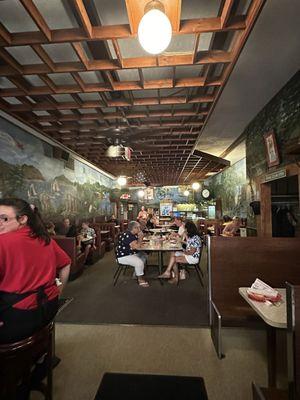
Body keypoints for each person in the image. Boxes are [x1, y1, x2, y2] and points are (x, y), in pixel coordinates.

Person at [0, 198, 71, 344]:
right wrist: (60, 290)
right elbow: (66, 264)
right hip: (49, 306)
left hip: (18, 314)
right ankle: (39, 358)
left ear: (23, 219)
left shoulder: (3, 242)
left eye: (4, 219)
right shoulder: (45, 239)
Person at [116, 221, 149, 287]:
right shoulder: (128, 235)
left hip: (130, 253)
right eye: (138, 228)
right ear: (134, 228)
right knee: (139, 262)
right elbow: (136, 247)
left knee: (143, 255)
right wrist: (140, 237)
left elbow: (135, 244)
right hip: (123, 256)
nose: (140, 229)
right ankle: (140, 280)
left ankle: (136, 273)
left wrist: (139, 240)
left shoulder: (132, 234)